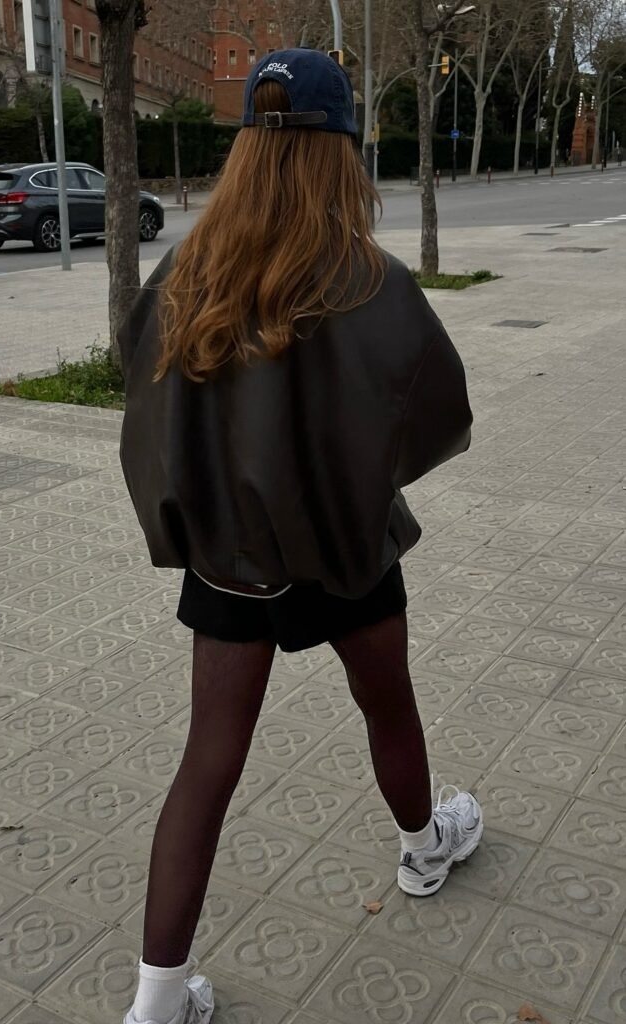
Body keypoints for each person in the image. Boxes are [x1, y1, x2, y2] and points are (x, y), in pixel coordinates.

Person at [118, 47, 483, 1024]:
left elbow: (144, 405)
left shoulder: (187, 275)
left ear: (245, 149)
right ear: (339, 157)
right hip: (346, 546)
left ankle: (154, 1004)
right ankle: (422, 845)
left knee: (208, 759)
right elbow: (439, 415)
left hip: (232, 562)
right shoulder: (367, 279)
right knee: (386, 706)